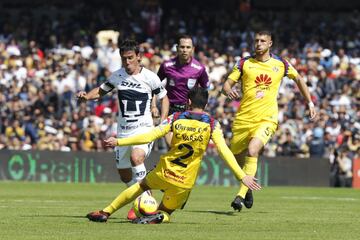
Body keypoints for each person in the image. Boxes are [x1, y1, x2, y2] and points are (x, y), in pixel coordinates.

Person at [86, 87, 261, 224]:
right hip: (184, 181)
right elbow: (224, 152)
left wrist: (119, 142)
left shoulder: (175, 117)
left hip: (164, 172)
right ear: (206, 104)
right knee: (166, 211)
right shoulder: (212, 125)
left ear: (189, 101)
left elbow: (149, 135)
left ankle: (105, 212)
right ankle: (160, 217)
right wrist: (242, 176)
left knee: (140, 186)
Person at [222, 30, 316, 212]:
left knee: (252, 150)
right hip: (243, 119)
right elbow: (226, 84)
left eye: (262, 41)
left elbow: (299, 79)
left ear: (270, 43)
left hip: (267, 118)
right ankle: (247, 186)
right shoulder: (244, 63)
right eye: (256, 40)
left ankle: (240, 195)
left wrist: (310, 102)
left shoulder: (281, 64)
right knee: (236, 159)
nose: (258, 44)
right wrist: (228, 91)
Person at [76, 39, 169, 198]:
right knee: (124, 175)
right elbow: (101, 91)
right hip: (124, 131)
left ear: (138, 57)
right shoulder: (117, 76)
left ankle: (148, 202)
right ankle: (140, 199)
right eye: (124, 58)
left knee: (136, 157)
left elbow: (164, 98)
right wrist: (87, 97)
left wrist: (164, 120)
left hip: (144, 128)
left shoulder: (150, 77)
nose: (127, 62)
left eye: (130, 57)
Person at [152, 35, 209, 116]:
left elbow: (205, 90)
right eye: (182, 47)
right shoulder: (166, 65)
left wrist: (201, 109)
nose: (185, 50)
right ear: (177, 48)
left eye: (188, 47)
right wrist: (153, 106)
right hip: (169, 109)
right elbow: (154, 85)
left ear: (193, 49)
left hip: (189, 111)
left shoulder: (200, 68)